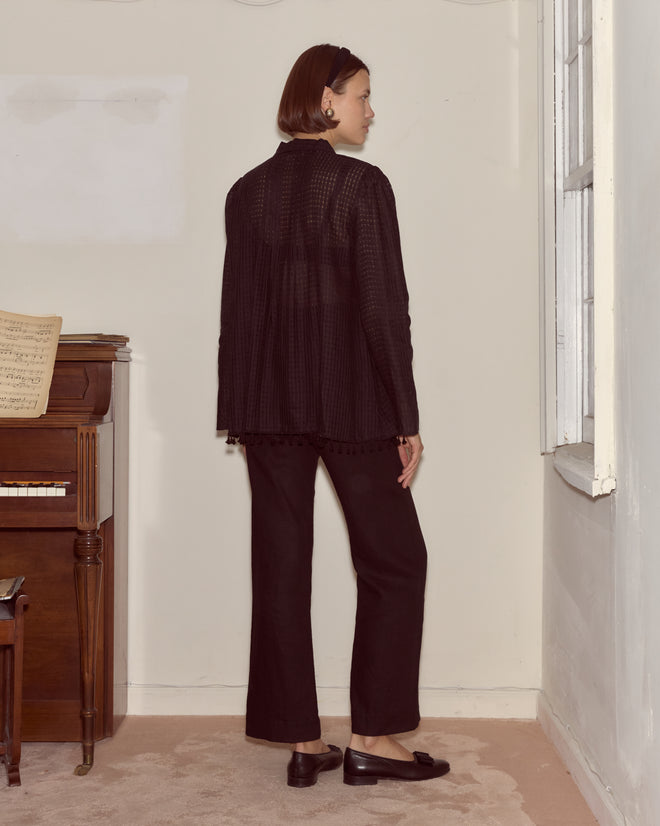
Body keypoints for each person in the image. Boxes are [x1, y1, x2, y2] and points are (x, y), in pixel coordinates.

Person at [217, 44, 450, 788]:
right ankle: (373, 738)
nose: (370, 111)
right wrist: (406, 414)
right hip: (354, 405)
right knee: (395, 561)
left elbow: (239, 315)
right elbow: (384, 310)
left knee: (281, 568)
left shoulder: (246, 192)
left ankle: (302, 742)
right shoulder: (362, 186)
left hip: (269, 408)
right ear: (326, 100)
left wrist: (241, 408)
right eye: (362, 96)